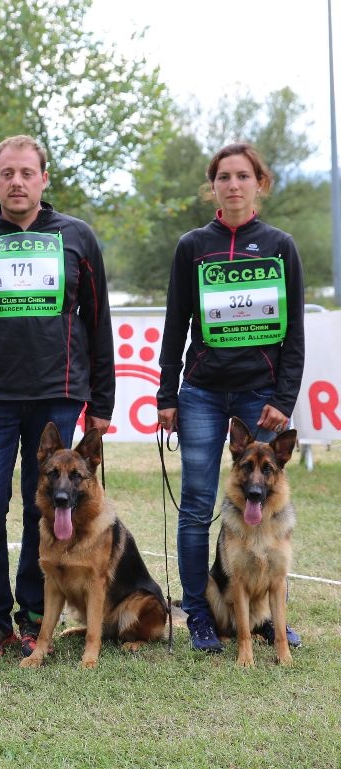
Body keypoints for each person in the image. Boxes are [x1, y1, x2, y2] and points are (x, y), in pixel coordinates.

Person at [0, 135, 115, 659]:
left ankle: (36, 616)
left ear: (43, 179)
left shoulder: (76, 236)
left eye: (27, 173)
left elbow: (98, 324)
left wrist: (102, 402)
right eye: (7, 173)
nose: (17, 181)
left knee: (53, 506)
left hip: (59, 396)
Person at [157, 142, 305, 653]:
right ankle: (199, 614)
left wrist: (284, 398)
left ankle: (264, 618)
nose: (234, 184)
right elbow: (175, 325)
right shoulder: (192, 245)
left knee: (260, 504)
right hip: (200, 393)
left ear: (259, 182)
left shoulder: (281, 245)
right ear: (213, 185)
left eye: (243, 176)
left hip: (261, 395)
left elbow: (295, 334)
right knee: (198, 506)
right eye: (224, 176)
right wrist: (166, 395)